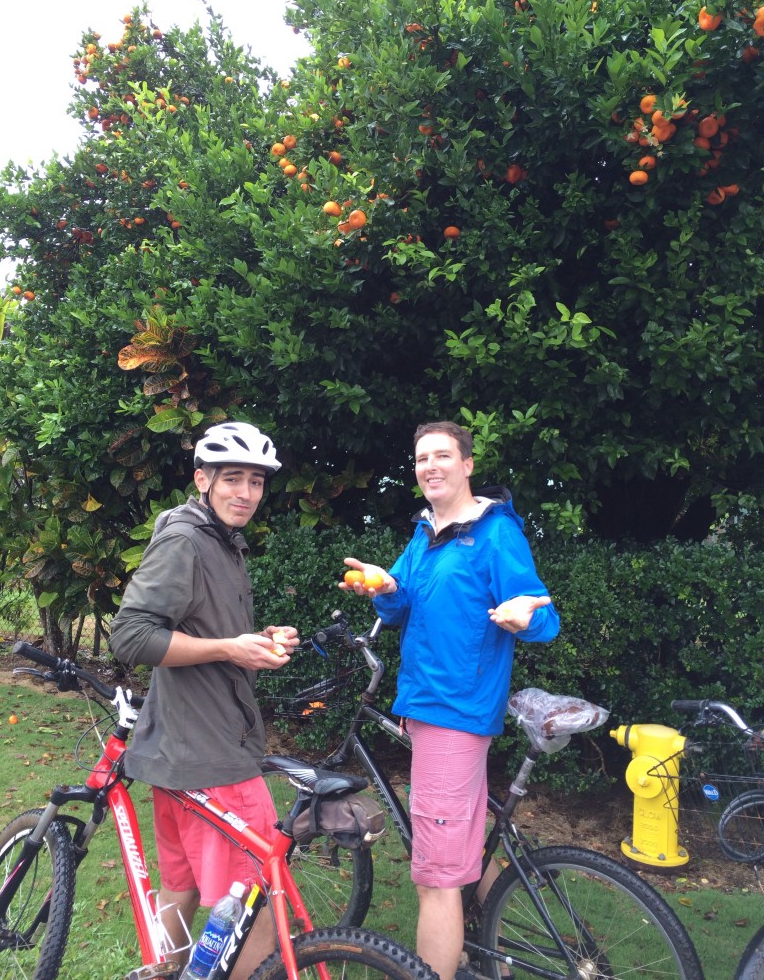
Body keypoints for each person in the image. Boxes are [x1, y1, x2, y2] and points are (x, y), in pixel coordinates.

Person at [340, 420, 559, 980]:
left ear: (467, 464)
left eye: (442, 455)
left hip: (455, 713)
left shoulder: (495, 533)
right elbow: (403, 600)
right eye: (420, 459)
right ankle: (496, 952)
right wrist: (385, 587)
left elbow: (543, 613)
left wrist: (523, 616)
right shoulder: (427, 531)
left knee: (435, 878)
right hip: (427, 707)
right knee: (459, 841)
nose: (430, 466)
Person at [110, 421, 298, 980]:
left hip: (181, 753)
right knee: (255, 899)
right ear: (203, 480)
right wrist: (229, 648)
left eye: (256, 482)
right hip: (213, 756)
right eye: (232, 479)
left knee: (181, 885)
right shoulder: (186, 541)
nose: (245, 492)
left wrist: (256, 641)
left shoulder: (218, 540)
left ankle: (164, 971)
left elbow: (203, 632)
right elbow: (131, 635)